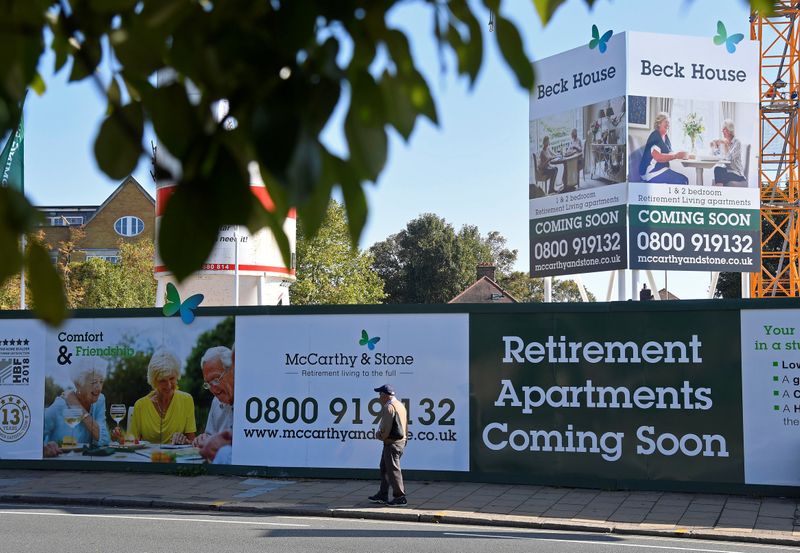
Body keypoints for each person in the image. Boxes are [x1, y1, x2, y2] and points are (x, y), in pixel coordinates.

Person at [43, 357, 111, 456]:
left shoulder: (99, 400)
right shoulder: (59, 406)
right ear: (78, 384)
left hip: (87, 467)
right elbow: (32, 435)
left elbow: (104, 439)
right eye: (94, 382)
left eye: (101, 382)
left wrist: (77, 405)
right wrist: (44, 448)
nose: (99, 387)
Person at [129, 348, 196, 445]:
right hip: (148, 459)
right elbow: (132, 444)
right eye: (162, 380)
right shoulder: (140, 405)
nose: (168, 385)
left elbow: (193, 444)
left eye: (172, 378)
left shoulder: (187, 400)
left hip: (175, 458)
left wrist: (185, 441)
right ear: (154, 381)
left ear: (177, 376)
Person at [368, 384, 408, 506]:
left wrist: (379, 435)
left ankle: (400, 497)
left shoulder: (389, 407)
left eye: (380, 394)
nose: (379, 397)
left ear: (385, 395)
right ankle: (383, 494)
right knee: (385, 467)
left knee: (393, 470)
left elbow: (385, 428)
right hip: (399, 441)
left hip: (392, 443)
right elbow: (406, 425)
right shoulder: (400, 405)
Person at [192, 346, 234, 450]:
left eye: (216, 379)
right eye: (208, 384)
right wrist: (203, 438)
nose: (213, 390)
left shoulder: (249, 400)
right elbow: (209, 436)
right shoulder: (216, 402)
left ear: (232, 371)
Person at [638, 112, 689, 184]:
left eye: (669, 123)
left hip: (662, 169)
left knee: (685, 180)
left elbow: (670, 153)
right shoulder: (655, 136)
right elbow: (657, 157)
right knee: (682, 181)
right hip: (650, 172)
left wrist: (683, 154)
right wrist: (676, 155)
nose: (668, 124)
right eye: (666, 122)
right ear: (659, 123)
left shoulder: (666, 136)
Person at [710, 119, 746, 186]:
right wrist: (714, 147)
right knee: (717, 169)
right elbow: (717, 156)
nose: (722, 131)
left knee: (718, 171)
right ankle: (719, 192)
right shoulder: (724, 141)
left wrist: (725, 145)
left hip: (737, 174)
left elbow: (729, 159)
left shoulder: (737, 143)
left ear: (729, 130)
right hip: (728, 171)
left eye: (724, 129)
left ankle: (719, 193)